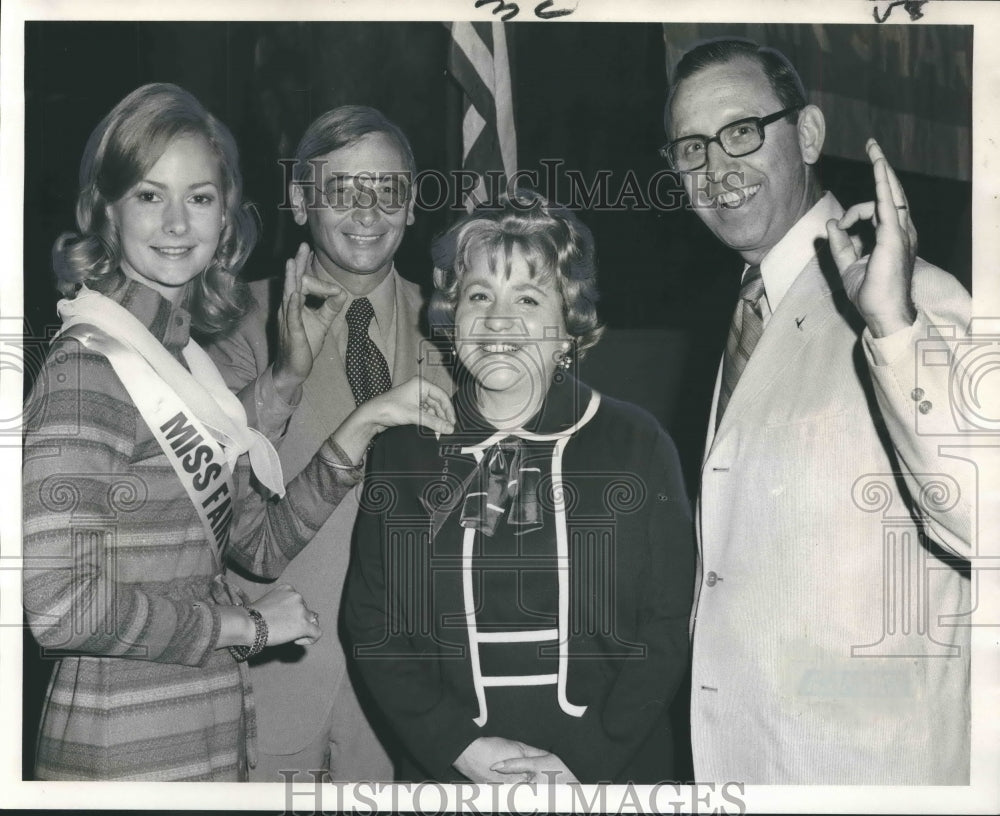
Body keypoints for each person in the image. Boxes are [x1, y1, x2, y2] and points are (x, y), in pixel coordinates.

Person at [21, 84, 454, 782]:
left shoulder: (179, 356)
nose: (175, 222)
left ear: (226, 216)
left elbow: (254, 536)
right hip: (131, 740)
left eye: (198, 197)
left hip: (214, 721)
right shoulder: (88, 366)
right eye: (147, 195)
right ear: (106, 210)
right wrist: (245, 628)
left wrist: (363, 422)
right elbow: (59, 605)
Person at [660, 38, 973, 784]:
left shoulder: (911, 294)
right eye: (691, 148)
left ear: (807, 134)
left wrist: (894, 328)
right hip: (749, 764)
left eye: (741, 132)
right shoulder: (743, 311)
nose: (717, 169)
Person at [342, 190, 695, 784]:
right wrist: (455, 745)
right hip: (450, 777)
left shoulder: (637, 444)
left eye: (528, 297)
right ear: (452, 319)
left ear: (568, 327)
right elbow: (372, 624)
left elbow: (668, 624)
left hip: (611, 778)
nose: (499, 319)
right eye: (479, 295)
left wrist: (586, 760)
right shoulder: (405, 453)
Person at [208, 105, 452, 781]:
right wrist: (283, 375)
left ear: (411, 205)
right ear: (299, 197)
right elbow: (212, 493)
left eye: (388, 190)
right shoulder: (233, 318)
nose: (367, 211)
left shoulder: (456, 321)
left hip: (409, 688)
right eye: (342, 189)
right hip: (270, 676)